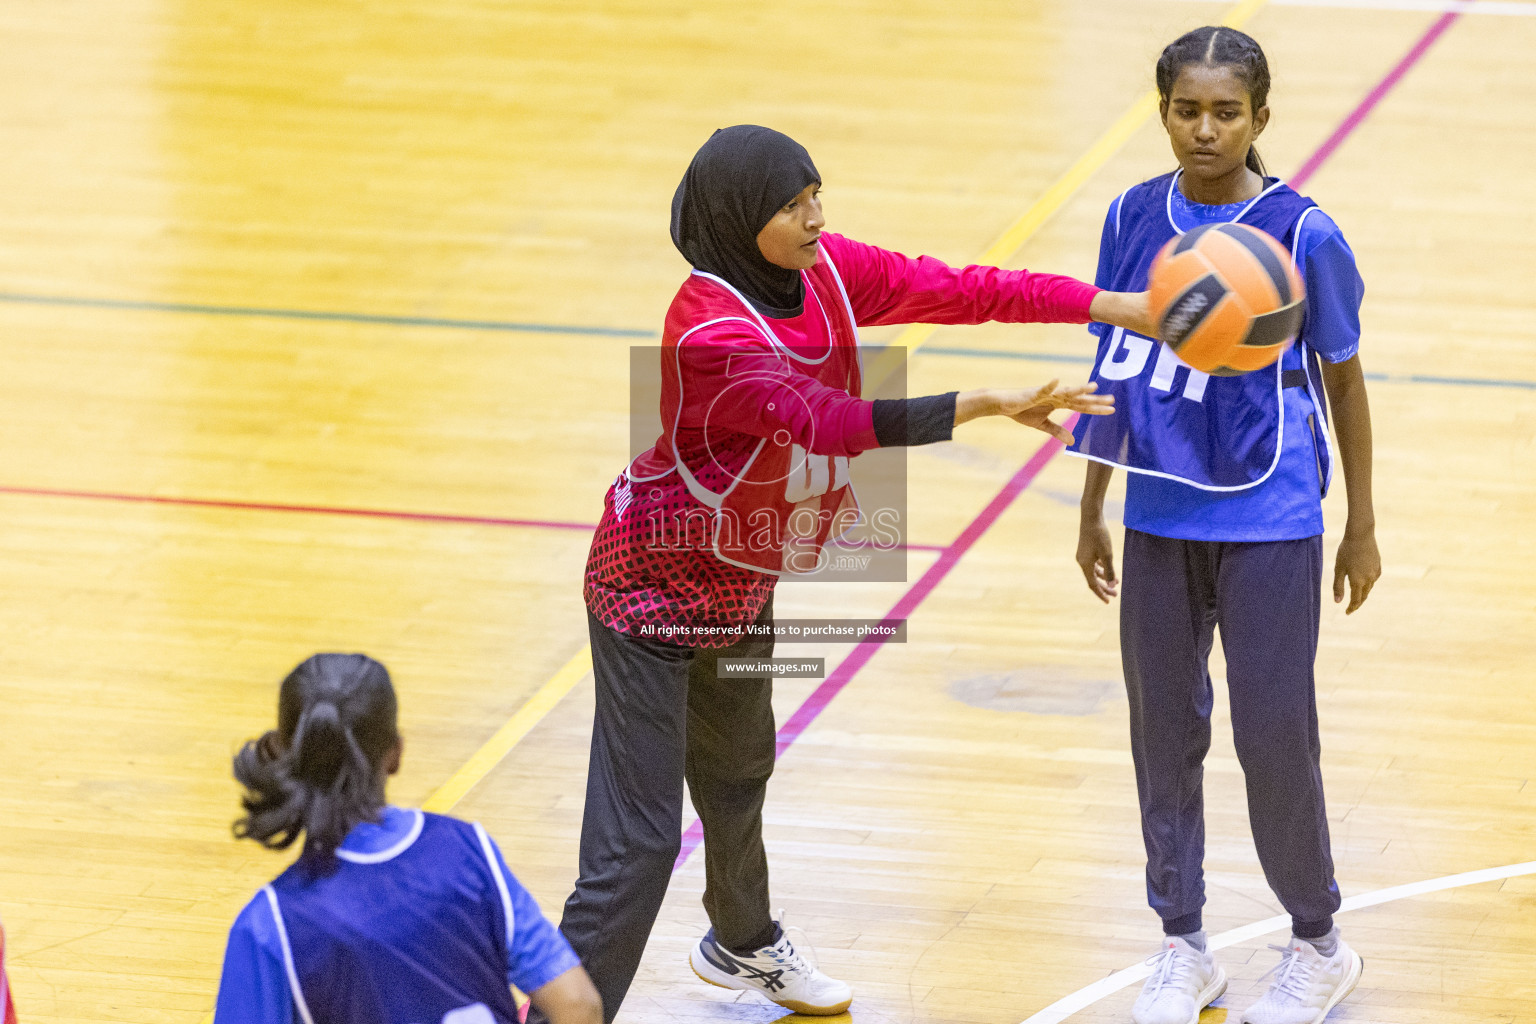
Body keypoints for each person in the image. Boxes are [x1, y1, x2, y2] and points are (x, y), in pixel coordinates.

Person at [554, 123, 1153, 1022]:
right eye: (793, 206)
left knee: (739, 770)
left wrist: (1112, 305)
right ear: (737, 220)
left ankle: (743, 943)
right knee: (636, 848)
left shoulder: (823, 270)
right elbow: (826, 420)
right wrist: (984, 402)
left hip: (741, 580)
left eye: (815, 195)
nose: (816, 217)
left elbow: (957, 289)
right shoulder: (707, 333)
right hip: (647, 598)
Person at [1068, 27, 1379, 1024]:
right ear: (1160, 111)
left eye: (1226, 111)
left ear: (1260, 117)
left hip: (1273, 517)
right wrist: (1092, 506)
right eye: (1186, 109)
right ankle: (1183, 943)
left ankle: (1319, 940)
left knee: (1273, 730)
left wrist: (1361, 522)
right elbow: (1114, 366)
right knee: (1164, 732)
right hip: (1159, 511)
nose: (1205, 129)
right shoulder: (1128, 215)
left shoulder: (1304, 232)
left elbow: (1343, 377)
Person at [213, 653, 602, 1024]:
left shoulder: (271, 924)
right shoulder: (468, 851)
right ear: (396, 752)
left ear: (284, 755)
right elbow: (579, 1006)